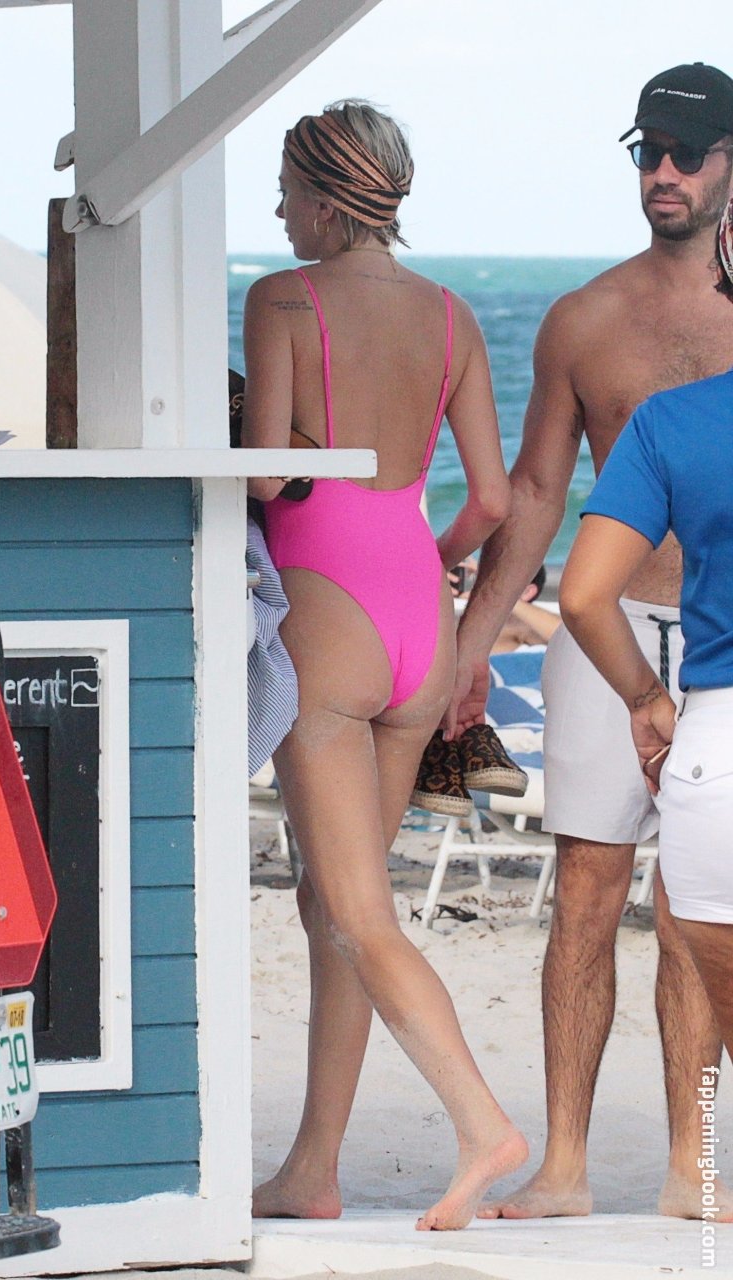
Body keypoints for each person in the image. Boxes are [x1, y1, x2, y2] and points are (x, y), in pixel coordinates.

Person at [443, 63, 733, 1220]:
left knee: (698, 910)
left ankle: (691, 1165)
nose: (662, 171)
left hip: (717, 656)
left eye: (687, 153)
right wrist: (474, 639)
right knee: (586, 893)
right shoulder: (583, 319)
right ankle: (563, 1162)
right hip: (604, 637)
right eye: (646, 151)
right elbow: (533, 490)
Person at [242, 100, 527, 1230]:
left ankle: (480, 1122)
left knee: (358, 912)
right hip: (418, 609)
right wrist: (432, 564)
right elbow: (493, 501)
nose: (277, 211)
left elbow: (267, 480)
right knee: (336, 900)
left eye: (285, 191)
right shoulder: (454, 315)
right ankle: (313, 1169)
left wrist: (272, 438)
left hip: (329, 607)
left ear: (325, 200)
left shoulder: (282, 298)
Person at [559, 195, 733, 1061]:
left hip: (715, 738)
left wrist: (643, 699)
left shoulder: (673, 422)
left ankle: (694, 1142)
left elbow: (584, 595)